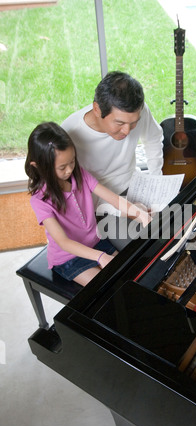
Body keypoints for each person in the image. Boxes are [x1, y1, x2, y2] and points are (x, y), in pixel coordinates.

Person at [25, 122, 151, 287]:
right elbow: (63, 242)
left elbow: (113, 199)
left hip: (95, 242)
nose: (70, 170)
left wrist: (140, 214)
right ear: (39, 166)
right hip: (68, 257)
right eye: (62, 167)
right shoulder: (39, 200)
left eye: (72, 161)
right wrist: (100, 257)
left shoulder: (79, 174)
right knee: (107, 289)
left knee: (128, 275)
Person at [61, 71, 164, 217]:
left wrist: (156, 181)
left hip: (134, 186)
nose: (127, 131)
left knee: (178, 219)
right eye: (120, 123)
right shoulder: (70, 134)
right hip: (98, 203)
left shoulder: (137, 111)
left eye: (134, 122)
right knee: (145, 236)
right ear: (97, 109)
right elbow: (75, 195)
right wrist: (127, 210)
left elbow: (153, 138)